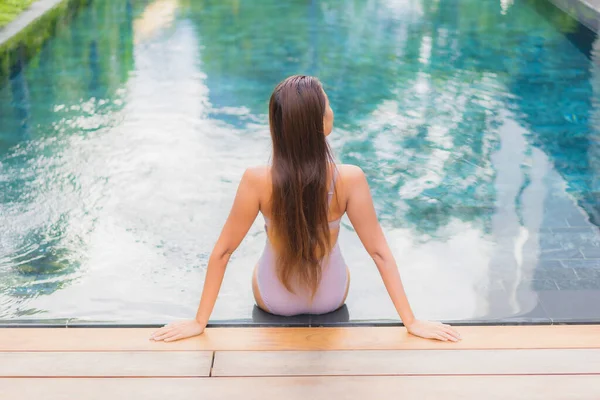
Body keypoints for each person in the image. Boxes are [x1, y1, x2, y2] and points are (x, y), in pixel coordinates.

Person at [150, 75, 461, 343]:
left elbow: (223, 252)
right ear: (320, 123)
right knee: (342, 262)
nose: (331, 109)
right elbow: (379, 252)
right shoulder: (350, 178)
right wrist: (412, 322)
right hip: (331, 297)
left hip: (274, 299)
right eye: (327, 104)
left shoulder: (256, 180)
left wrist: (198, 322)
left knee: (259, 263)